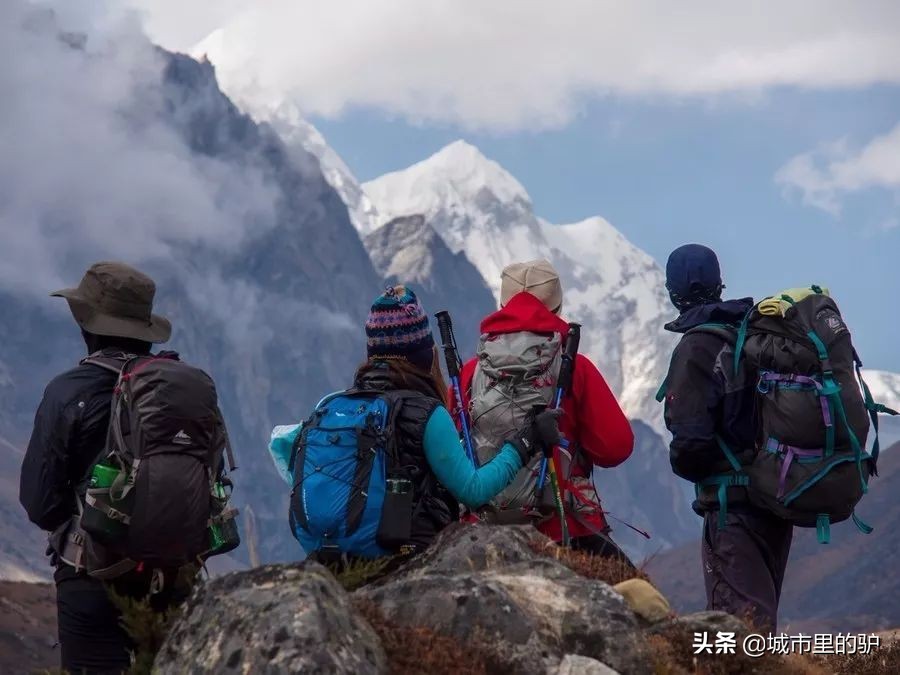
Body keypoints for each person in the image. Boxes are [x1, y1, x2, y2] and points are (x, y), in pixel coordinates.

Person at [269, 285, 559, 562]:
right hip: (401, 557)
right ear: (422, 351)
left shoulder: (330, 405)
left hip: (328, 555)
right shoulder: (426, 412)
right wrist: (524, 443)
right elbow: (473, 490)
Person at [19, 262, 195, 674]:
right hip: (172, 575)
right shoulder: (185, 390)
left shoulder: (68, 391)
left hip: (90, 574)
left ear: (85, 321)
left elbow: (39, 503)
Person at [449, 259, 635, 561]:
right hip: (564, 525)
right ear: (558, 307)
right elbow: (616, 447)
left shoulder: (471, 373)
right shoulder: (575, 367)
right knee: (638, 598)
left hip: (480, 529)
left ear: (501, 305)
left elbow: (453, 451)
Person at [660, 243, 792, 632]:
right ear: (720, 285)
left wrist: (682, 462)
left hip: (731, 507)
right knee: (760, 617)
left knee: (737, 628)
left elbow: (692, 443)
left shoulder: (697, 346)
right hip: (775, 498)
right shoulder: (752, 334)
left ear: (672, 293)